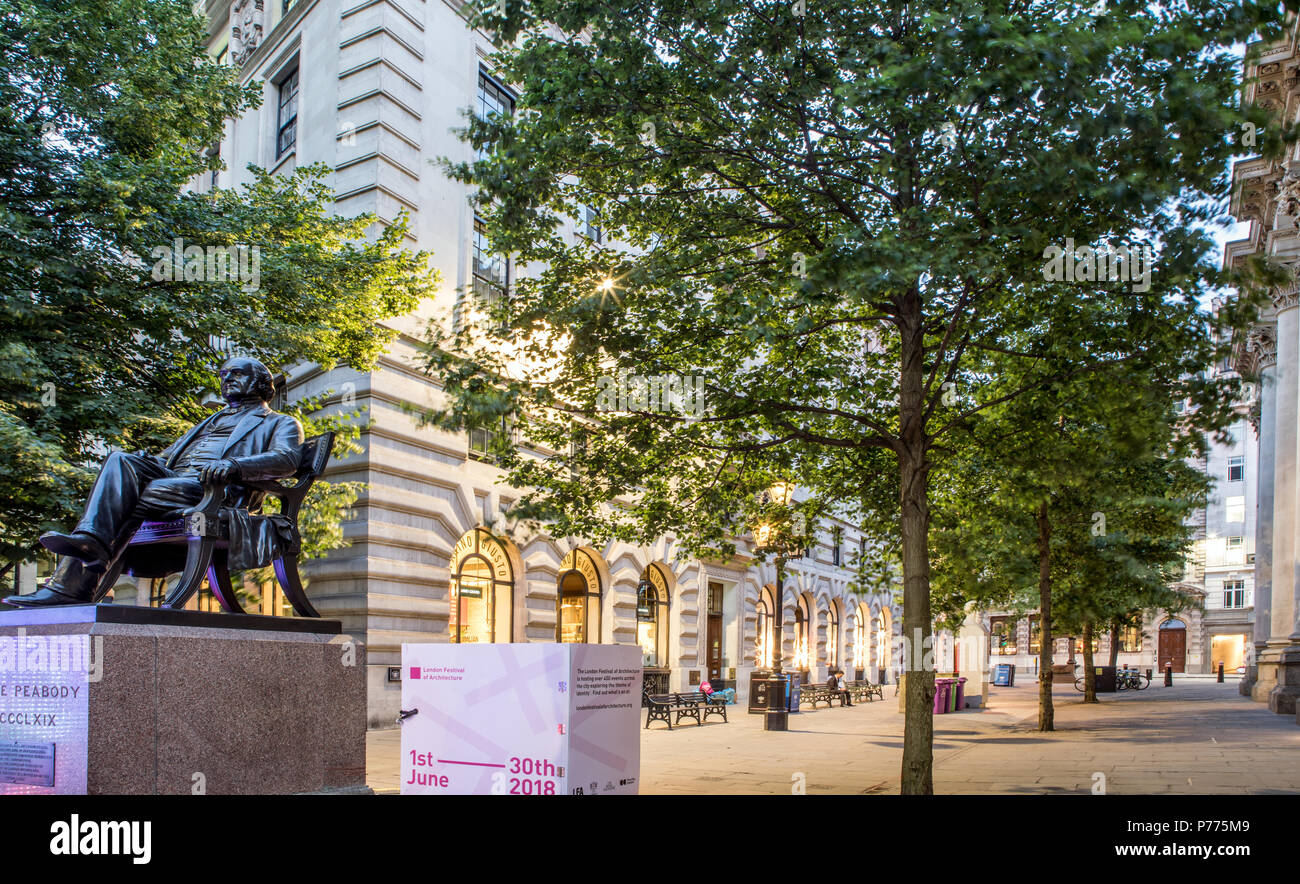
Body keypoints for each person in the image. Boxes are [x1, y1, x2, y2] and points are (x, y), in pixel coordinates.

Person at [7, 356, 304, 607]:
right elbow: (166, 459)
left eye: (236, 374)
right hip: (176, 484)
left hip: (217, 492)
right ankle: (91, 545)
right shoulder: (207, 422)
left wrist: (233, 465)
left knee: (137, 497)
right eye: (224, 375)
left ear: (262, 382)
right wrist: (145, 461)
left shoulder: (279, 422)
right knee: (120, 459)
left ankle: (72, 582)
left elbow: (287, 460)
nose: (227, 380)